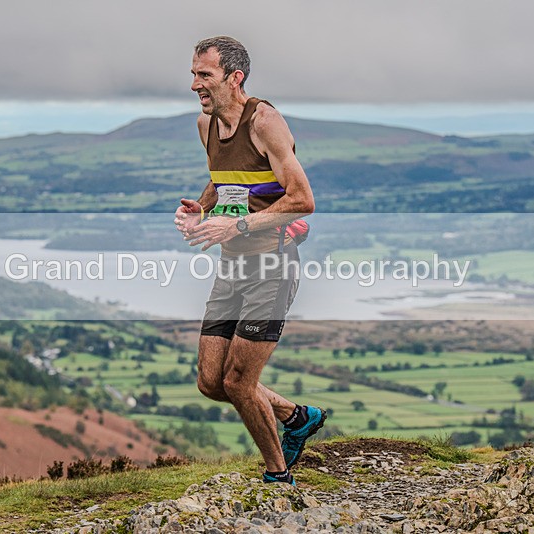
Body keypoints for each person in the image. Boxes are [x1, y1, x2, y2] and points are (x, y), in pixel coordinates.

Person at [174, 36, 325, 486]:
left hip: (272, 267)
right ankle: (296, 416)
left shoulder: (265, 122)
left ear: (234, 77)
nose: (195, 84)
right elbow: (223, 182)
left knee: (239, 382)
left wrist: (234, 227)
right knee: (210, 381)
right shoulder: (205, 126)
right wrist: (202, 209)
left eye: (205, 75)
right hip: (232, 268)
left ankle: (279, 477)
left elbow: (302, 200)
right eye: (193, 75)